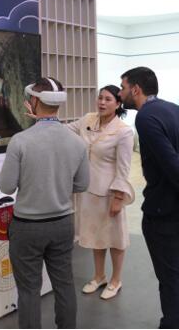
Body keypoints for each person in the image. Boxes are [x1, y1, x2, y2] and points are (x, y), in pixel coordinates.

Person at [119, 67, 179, 329]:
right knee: (175, 268)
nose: (120, 93)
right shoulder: (178, 111)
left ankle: (174, 323)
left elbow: (171, 163)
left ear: (136, 89)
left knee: (170, 275)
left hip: (164, 211)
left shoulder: (146, 117)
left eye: (123, 88)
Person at [0, 77, 89, 329]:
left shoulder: (21, 141)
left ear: (34, 101)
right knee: (65, 284)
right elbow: (82, 184)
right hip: (62, 223)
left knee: (29, 290)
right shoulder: (77, 141)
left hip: (27, 227)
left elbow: (6, 186)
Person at [65, 85, 135, 300]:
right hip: (87, 191)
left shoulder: (123, 131)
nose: (102, 102)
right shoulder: (88, 119)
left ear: (118, 103)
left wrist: (119, 198)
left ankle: (116, 280)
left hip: (110, 193)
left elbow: (124, 168)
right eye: (100, 98)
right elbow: (65, 129)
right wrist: (44, 121)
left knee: (115, 238)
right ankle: (99, 276)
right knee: (96, 236)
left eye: (108, 99)